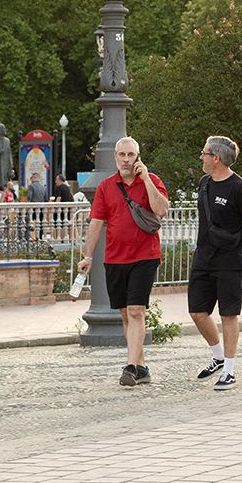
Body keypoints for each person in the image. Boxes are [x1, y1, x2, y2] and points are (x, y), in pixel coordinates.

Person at [78, 137, 170, 387]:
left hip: (145, 256)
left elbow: (161, 210)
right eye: (123, 155)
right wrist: (87, 255)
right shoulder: (107, 187)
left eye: (131, 155)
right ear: (115, 157)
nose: (127, 160)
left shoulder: (152, 181)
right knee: (125, 315)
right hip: (115, 258)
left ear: (138, 157)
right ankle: (141, 367)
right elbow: (96, 223)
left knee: (136, 311)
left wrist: (147, 179)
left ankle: (130, 367)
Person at [188, 136, 242, 390]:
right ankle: (217, 356)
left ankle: (229, 370)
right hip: (203, 259)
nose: (201, 157)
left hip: (230, 262)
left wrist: (236, 244)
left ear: (215, 158)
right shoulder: (204, 183)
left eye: (204, 153)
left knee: (229, 315)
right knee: (197, 312)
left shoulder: (238, 187)